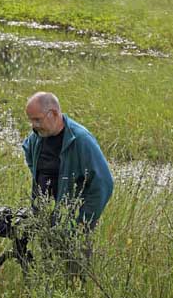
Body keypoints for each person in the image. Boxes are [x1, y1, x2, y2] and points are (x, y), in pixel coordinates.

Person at [21, 91, 113, 277]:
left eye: (37, 120)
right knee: (49, 275)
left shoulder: (81, 140)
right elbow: (31, 158)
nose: (34, 126)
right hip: (46, 220)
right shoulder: (36, 138)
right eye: (31, 120)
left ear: (53, 113)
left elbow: (104, 184)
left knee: (75, 279)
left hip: (74, 225)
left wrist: (81, 223)